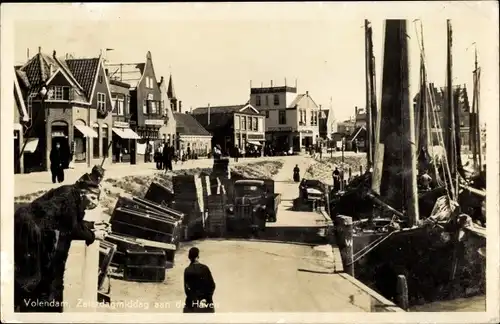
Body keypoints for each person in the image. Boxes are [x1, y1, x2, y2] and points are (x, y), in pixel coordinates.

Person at [14, 178, 107, 312]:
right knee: (32, 272)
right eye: (92, 197)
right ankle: (24, 307)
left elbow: (68, 220)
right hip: (29, 229)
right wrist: (94, 235)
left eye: (96, 199)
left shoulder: (71, 194)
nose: (94, 202)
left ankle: (30, 303)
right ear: (82, 193)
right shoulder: (70, 198)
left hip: (31, 226)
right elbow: (72, 228)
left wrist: (92, 225)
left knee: (37, 271)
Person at [183, 247, 216, 313]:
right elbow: (212, 285)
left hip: (192, 305)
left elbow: (187, 290)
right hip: (206, 303)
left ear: (189, 257)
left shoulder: (187, 270)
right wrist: (206, 298)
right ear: (198, 256)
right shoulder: (205, 268)